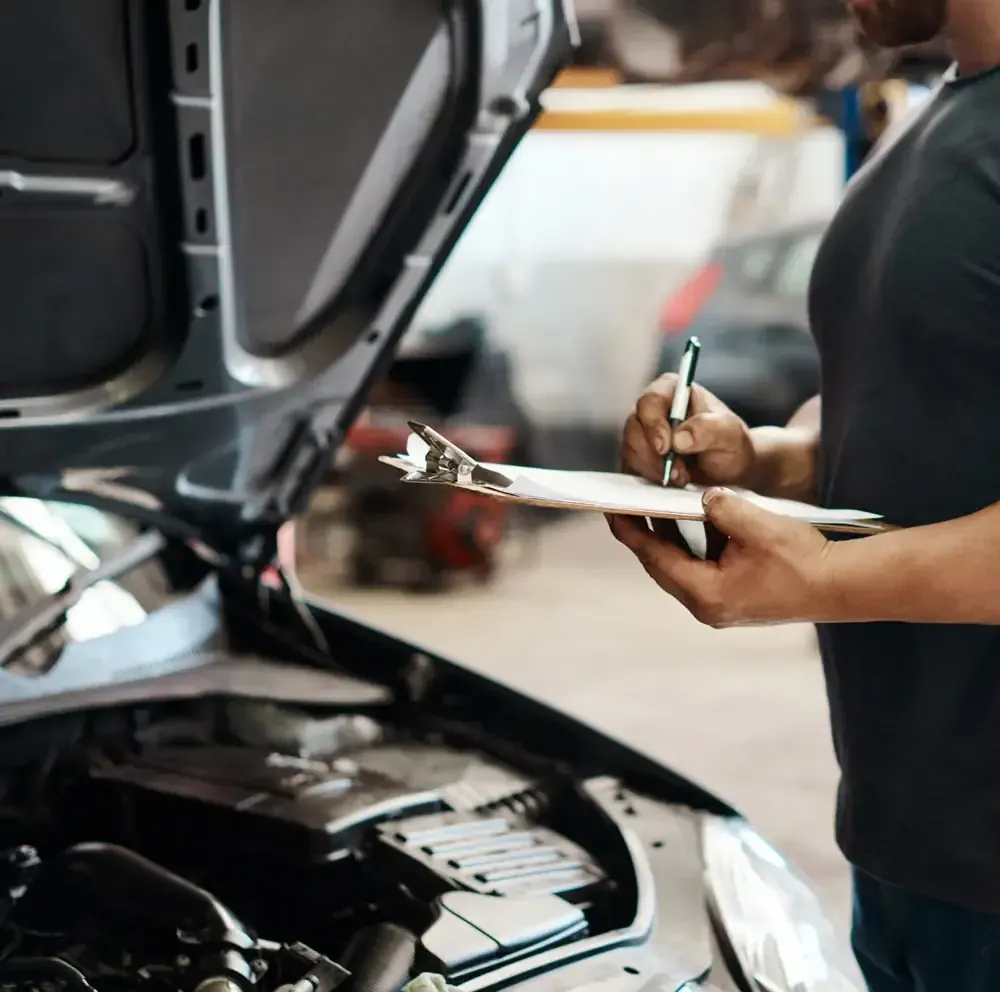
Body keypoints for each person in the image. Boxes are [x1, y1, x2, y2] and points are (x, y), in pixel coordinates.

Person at [609, 1, 1000, 989]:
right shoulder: (936, 116)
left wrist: (820, 579)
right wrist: (761, 459)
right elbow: (932, 406)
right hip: (909, 852)